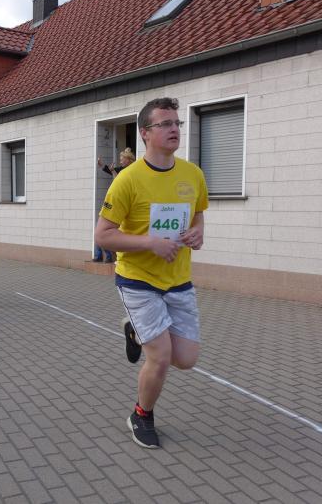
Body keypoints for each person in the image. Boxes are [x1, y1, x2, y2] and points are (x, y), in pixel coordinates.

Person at [95, 98, 208, 449]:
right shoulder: (127, 180)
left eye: (177, 123)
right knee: (159, 356)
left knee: (186, 359)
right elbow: (103, 236)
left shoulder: (192, 174)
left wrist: (197, 234)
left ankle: (134, 331)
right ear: (145, 133)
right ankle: (141, 415)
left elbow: (198, 216)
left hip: (178, 279)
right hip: (138, 280)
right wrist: (149, 243)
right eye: (165, 124)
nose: (175, 129)